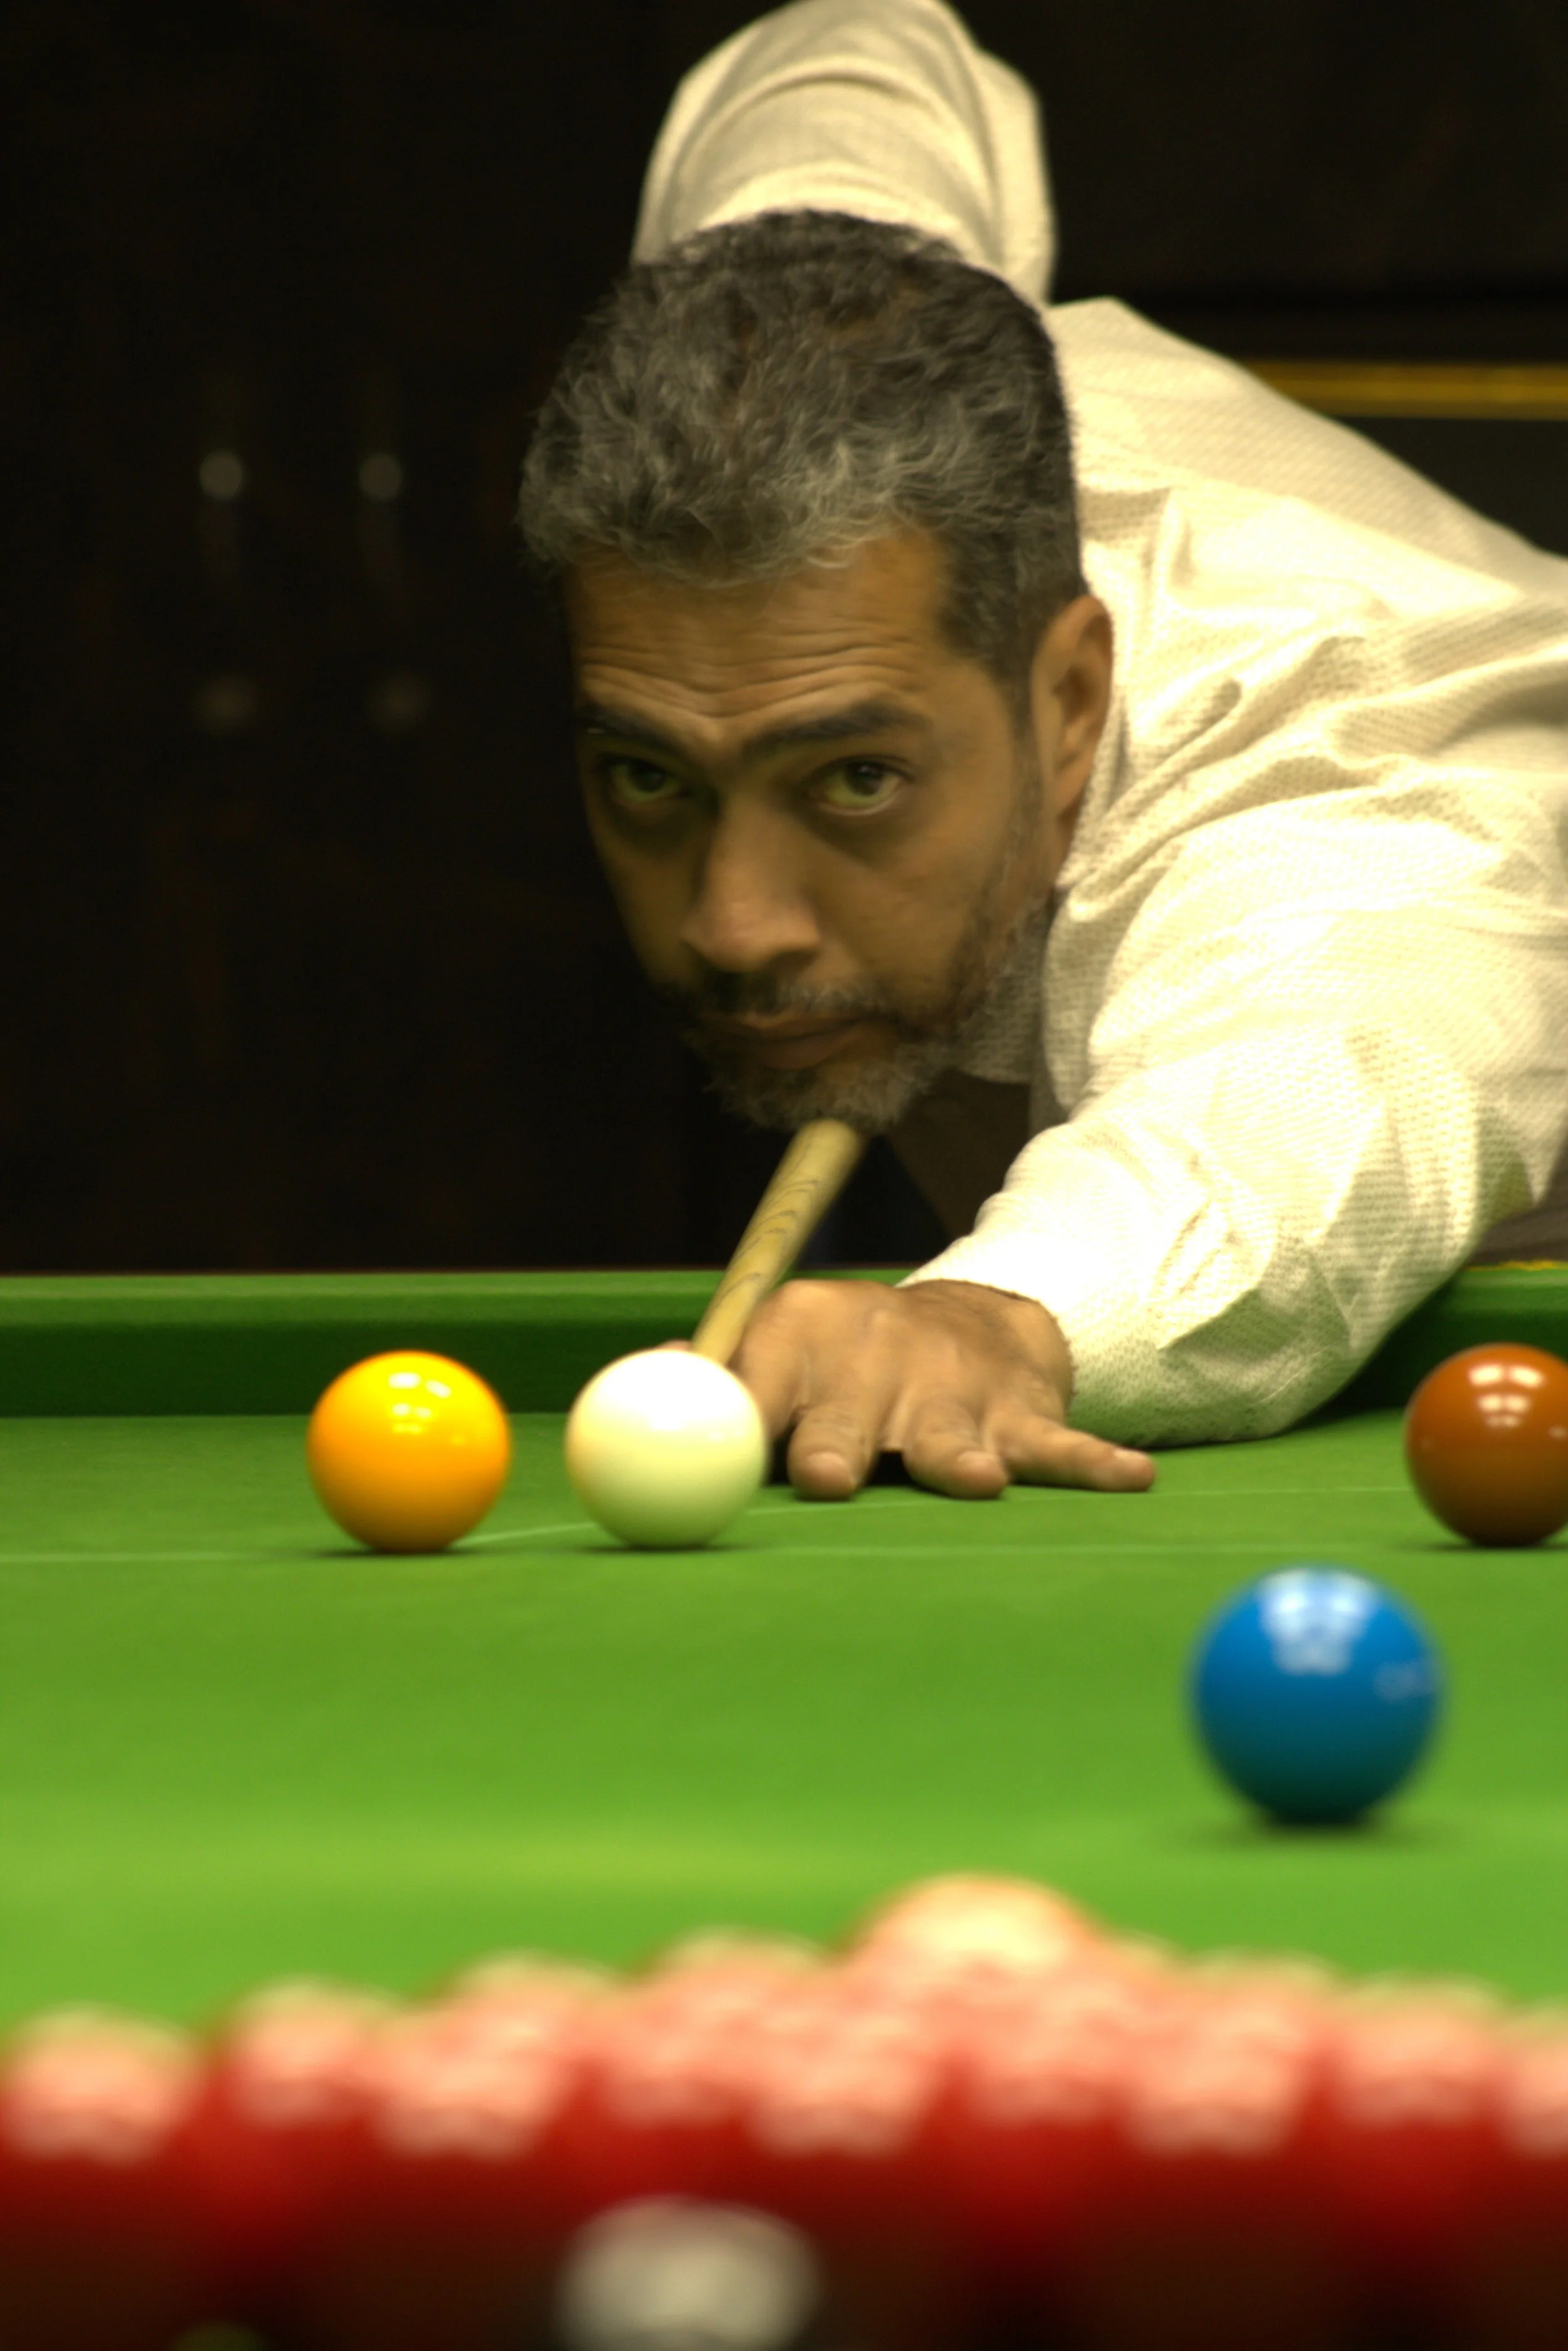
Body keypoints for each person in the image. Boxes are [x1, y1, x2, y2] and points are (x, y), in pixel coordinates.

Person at [517, 0, 1568, 1504]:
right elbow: (850, 53)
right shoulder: (826, 314)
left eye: (852, 780)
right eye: (650, 780)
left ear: (1069, 695)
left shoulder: (1339, 772)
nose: (732, 922)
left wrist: (1001, 1311)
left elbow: (1327, 1093)